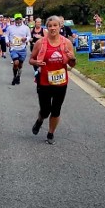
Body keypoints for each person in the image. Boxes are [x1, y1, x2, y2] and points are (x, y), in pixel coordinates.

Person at [29, 15, 77, 145]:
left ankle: (50, 133)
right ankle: (40, 120)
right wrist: (37, 62)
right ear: (47, 27)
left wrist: (72, 59)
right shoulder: (41, 43)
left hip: (61, 81)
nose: (52, 28)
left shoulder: (66, 42)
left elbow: (72, 64)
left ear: (60, 26)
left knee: (56, 109)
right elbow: (31, 59)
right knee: (45, 110)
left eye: (55, 25)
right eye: (50, 26)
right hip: (44, 81)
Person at [5, 13, 32, 85]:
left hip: (22, 48)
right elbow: (6, 36)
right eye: (17, 19)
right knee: (16, 63)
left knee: (20, 65)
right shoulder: (10, 28)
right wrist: (7, 42)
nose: (18, 20)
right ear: (14, 20)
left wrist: (26, 39)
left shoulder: (26, 28)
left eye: (19, 19)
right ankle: (14, 77)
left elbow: (29, 36)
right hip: (13, 48)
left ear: (21, 19)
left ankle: (18, 76)